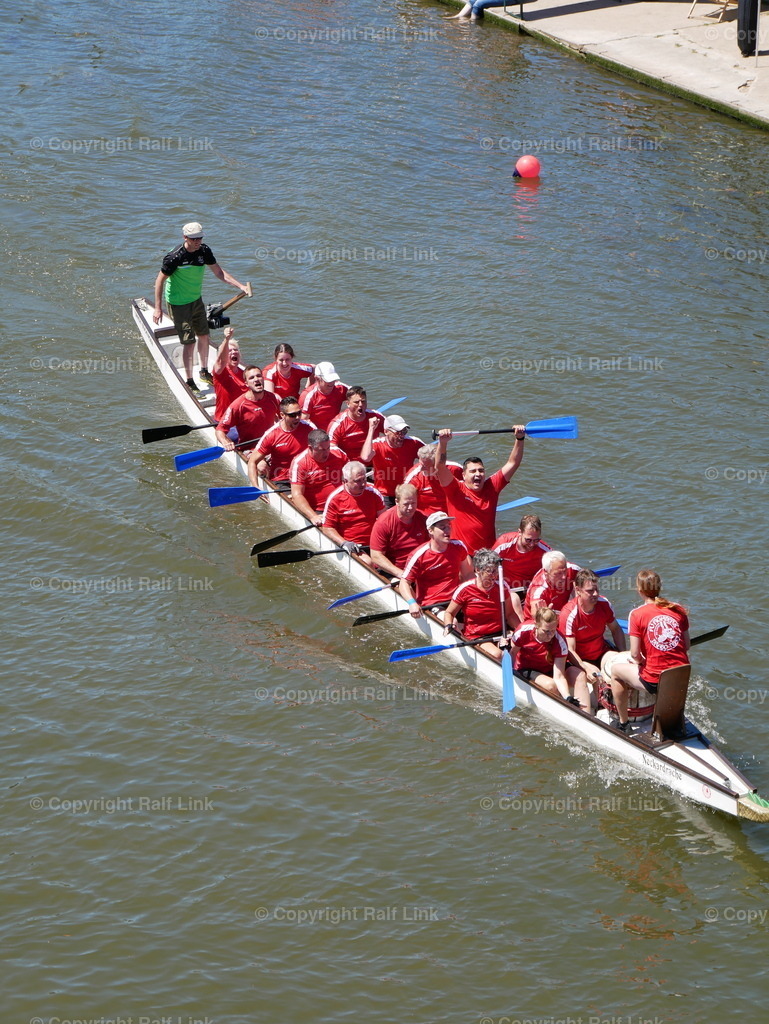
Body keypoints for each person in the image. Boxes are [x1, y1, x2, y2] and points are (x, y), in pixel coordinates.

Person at [153, 221, 249, 393]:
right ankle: (189, 381)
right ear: (185, 237)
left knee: (204, 335)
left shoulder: (204, 251)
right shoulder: (174, 257)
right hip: (177, 303)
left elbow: (219, 272)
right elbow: (159, 281)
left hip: (196, 300)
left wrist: (240, 286)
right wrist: (158, 308)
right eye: (193, 239)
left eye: (199, 238)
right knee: (189, 342)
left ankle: (204, 372)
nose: (197, 241)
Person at [609, 570, 690, 733]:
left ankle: (624, 724)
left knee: (615, 671)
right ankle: (675, 719)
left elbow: (634, 654)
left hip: (655, 680)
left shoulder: (637, 614)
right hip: (681, 675)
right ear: (659, 587)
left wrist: (638, 662)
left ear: (639, 590)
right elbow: (686, 645)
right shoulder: (678, 609)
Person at [433, 426, 527, 554]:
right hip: (461, 553)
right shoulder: (454, 489)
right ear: (463, 475)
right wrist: (443, 443)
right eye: (473, 471)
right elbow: (439, 466)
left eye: (481, 470)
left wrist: (519, 438)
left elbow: (513, 463)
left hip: (487, 554)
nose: (478, 474)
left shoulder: (492, 486)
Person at [559, 569, 626, 714]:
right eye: (590, 591)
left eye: (596, 589)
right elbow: (570, 650)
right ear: (578, 590)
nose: (595, 594)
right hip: (578, 659)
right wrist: (585, 668)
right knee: (596, 675)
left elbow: (616, 630)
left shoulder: (604, 604)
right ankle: (594, 711)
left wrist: (622, 654)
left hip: (600, 652)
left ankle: (621, 707)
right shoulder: (569, 614)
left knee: (619, 664)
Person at [443, 549, 523, 663]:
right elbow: (449, 613)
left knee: (525, 647)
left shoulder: (502, 586)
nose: (494, 576)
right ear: (477, 570)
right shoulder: (465, 589)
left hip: (501, 632)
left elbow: (510, 615)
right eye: (489, 571)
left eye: (496, 571)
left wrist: (521, 631)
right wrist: (448, 625)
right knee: (497, 654)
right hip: (477, 636)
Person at [398, 512, 473, 619]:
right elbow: (404, 582)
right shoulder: (419, 555)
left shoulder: (459, 546)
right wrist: (412, 603)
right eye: (443, 527)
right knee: (452, 622)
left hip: (456, 599)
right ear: (430, 531)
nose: (447, 531)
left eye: (448, 526)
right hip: (433, 603)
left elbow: (468, 574)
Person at [322, 461, 385, 562]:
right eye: (358, 481)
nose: (363, 484)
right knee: (368, 562)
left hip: (375, 544)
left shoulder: (374, 493)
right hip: (354, 547)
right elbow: (327, 528)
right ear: (345, 481)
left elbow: (384, 521)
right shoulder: (335, 499)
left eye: (364, 479)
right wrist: (344, 543)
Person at [215, 365, 280, 455]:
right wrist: (226, 442)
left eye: (259, 376)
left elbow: (283, 418)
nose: (256, 379)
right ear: (246, 383)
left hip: (270, 444)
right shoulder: (238, 405)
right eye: (251, 378)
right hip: (250, 449)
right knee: (262, 466)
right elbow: (219, 430)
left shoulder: (273, 398)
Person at [361, 414, 424, 507]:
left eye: (404, 431)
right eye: (398, 432)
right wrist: (371, 429)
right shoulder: (378, 445)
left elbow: (432, 457)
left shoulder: (413, 443)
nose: (401, 436)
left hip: (406, 491)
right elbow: (366, 457)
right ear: (386, 431)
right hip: (385, 494)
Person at [510, 608, 571, 702]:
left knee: (579, 676)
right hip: (525, 668)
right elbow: (513, 653)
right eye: (546, 631)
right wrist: (510, 673)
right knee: (550, 685)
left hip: (547, 669)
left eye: (553, 630)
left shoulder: (560, 640)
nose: (550, 635)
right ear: (536, 625)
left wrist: (568, 697)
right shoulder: (523, 631)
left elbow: (559, 677)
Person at [248, 396, 313, 484]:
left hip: (306, 476)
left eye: (299, 413)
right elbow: (252, 461)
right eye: (292, 415)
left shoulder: (309, 428)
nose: (297, 417)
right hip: (282, 480)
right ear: (282, 415)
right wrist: (256, 486)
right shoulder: (272, 435)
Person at [289, 430, 349, 526]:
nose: (327, 453)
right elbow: (297, 495)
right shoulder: (300, 463)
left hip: (343, 505)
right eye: (321, 450)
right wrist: (313, 516)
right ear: (310, 448)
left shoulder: (337, 452)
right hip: (319, 511)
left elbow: (352, 473)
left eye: (328, 448)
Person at [369, 484, 429, 578]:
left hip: (417, 570)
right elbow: (376, 556)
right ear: (397, 502)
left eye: (413, 503)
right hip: (392, 572)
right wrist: (401, 574)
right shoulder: (384, 522)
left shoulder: (423, 519)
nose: (410, 508)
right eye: (406, 504)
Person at [493, 514, 552, 590]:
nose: (532, 544)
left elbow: (559, 567)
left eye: (536, 540)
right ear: (519, 532)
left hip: (529, 589)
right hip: (505, 588)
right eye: (528, 540)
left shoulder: (545, 551)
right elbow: (486, 565)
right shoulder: (503, 544)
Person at [328, 386, 384, 463]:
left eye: (363, 401)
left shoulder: (376, 417)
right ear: (348, 403)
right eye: (356, 402)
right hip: (350, 465)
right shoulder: (337, 424)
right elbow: (331, 449)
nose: (360, 405)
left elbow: (392, 432)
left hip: (374, 463)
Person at [403, 444, 462, 516]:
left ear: (436, 465)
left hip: (454, 513)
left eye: (425, 466)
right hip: (428, 519)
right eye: (420, 463)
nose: (421, 468)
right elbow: (404, 501)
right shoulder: (413, 478)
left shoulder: (455, 469)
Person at [522, 550, 581, 619]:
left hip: (562, 613)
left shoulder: (572, 569)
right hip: (540, 621)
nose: (564, 577)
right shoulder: (539, 589)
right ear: (546, 572)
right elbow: (535, 615)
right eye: (558, 574)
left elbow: (588, 579)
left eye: (565, 571)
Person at [211, 326, 248, 423]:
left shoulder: (244, 374)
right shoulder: (221, 372)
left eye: (236, 350)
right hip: (224, 420)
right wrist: (226, 339)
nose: (234, 352)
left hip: (241, 418)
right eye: (230, 351)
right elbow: (221, 360)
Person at [298, 361, 348, 431]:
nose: (331, 383)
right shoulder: (307, 396)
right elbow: (303, 422)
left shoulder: (340, 388)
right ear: (317, 378)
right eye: (328, 380)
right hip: (317, 433)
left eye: (333, 379)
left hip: (335, 429)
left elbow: (358, 394)